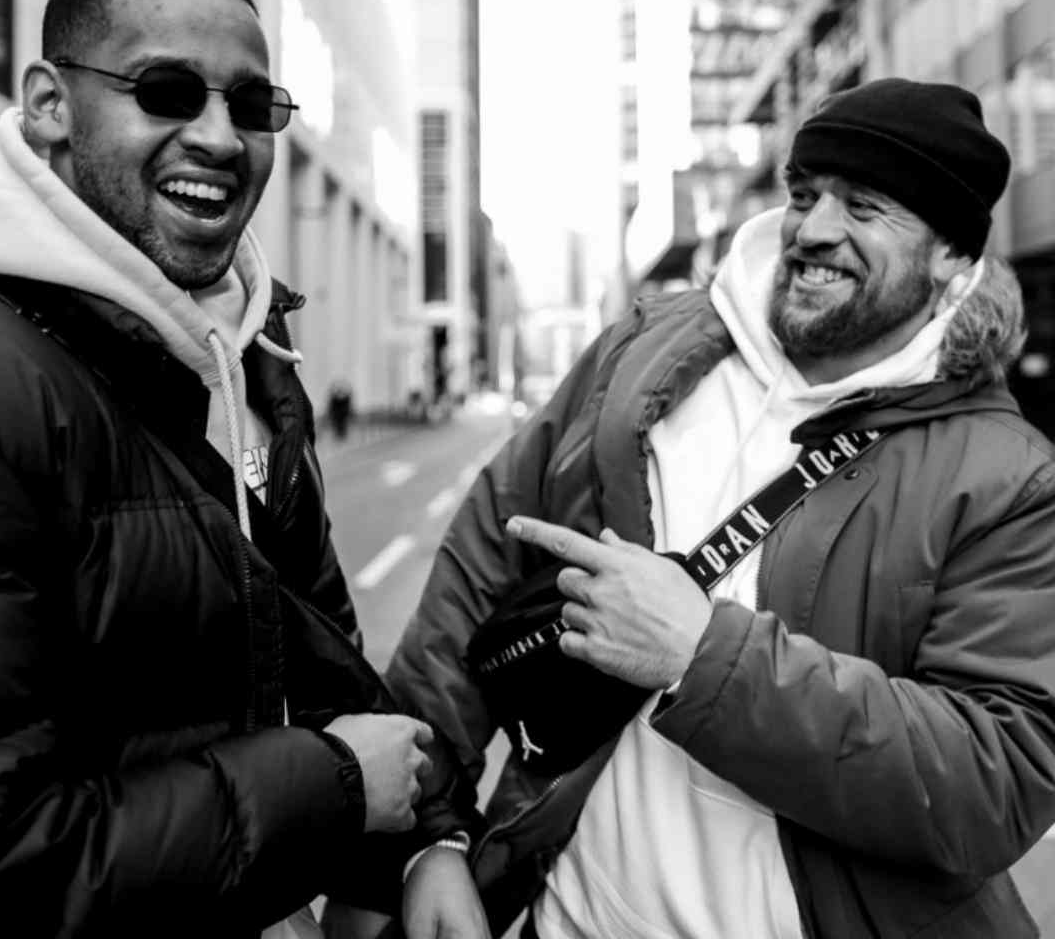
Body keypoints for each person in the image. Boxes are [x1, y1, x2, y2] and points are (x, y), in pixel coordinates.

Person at [387, 77, 1055, 938]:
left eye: (865, 206)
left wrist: (700, 656)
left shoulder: (1009, 478)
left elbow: (993, 777)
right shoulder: (646, 353)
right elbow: (481, 570)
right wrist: (428, 837)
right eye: (806, 195)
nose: (814, 230)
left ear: (951, 255)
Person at [0, 0, 488, 939]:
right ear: (47, 105)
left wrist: (427, 840)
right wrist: (336, 788)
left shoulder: (247, 348)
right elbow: (0, 859)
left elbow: (323, 647)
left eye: (252, 106)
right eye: (165, 91)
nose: (219, 136)